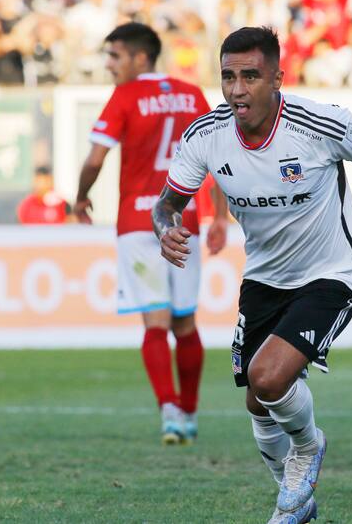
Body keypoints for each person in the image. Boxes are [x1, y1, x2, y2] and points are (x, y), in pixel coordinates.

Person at [152, 26, 352, 523]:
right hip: (265, 276)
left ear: (277, 78)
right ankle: (297, 504)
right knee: (257, 401)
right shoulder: (205, 136)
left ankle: (309, 448)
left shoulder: (320, 123)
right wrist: (166, 227)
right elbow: (168, 203)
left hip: (333, 271)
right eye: (228, 76)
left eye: (251, 76)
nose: (237, 89)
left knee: (267, 377)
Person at [74, 22, 228, 446]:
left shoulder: (126, 96)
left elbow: (95, 158)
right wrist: (219, 218)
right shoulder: (192, 94)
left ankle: (170, 413)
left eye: (115, 56)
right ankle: (191, 414)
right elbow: (217, 161)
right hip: (185, 219)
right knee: (185, 321)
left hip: (139, 222)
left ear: (141, 58)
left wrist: (81, 196)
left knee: (155, 322)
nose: (109, 65)